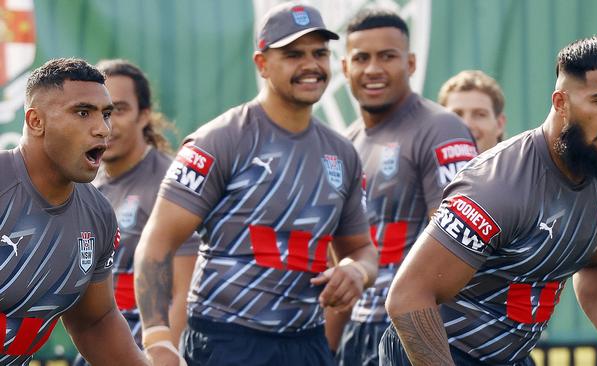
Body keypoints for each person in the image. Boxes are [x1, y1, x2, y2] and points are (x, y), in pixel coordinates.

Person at [133, 3, 378, 366]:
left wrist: (357, 272)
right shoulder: (219, 140)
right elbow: (155, 244)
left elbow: (362, 250)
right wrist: (157, 339)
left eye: (319, 53)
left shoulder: (342, 152)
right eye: (294, 54)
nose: (310, 65)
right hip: (227, 341)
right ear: (262, 64)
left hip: (307, 344)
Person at [381, 35, 597, 365]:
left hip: (511, 356)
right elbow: (408, 297)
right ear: (561, 103)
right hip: (438, 353)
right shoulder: (496, 186)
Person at [327, 9, 478, 366]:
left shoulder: (442, 129)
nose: (373, 69)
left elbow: (458, 249)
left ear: (410, 63)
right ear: (345, 68)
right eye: (362, 58)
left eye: (387, 56)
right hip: (359, 332)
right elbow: (342, 263)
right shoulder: (345, 145)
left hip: (413, 332)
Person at [0, 58, 148, 365]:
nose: (102, 129)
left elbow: (95, 322)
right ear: (35, 121)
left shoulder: (98, 216)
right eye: (83, 112)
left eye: (106, 114)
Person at [440, 69, 597, 280]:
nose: (466, 124)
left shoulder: (522, 182)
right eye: (456, 114)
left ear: (499, 124)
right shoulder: (422, 180)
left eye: (480, 114)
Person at [71, 59, 200, 366]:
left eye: (118, 110)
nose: (107, 126)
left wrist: (166, 352)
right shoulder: (86, 184)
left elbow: (186, 291)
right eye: (98, 113)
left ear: (144, 115)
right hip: (97, 348)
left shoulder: (171, 183)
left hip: (149, 352)